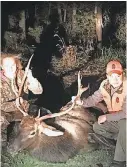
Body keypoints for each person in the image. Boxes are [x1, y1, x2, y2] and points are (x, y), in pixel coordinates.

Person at [72, 60, 126, 167]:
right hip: (116, 121)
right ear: (107, 76)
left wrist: (106, 117)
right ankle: (123, 141)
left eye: (118, 76)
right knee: (97, 127)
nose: (115, 79)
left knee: (125, 124)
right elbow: (94, 99)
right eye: (112, 76)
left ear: (122, 74)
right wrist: (82, 102)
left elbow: (125, 114)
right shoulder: (104, 86)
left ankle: (119, 162)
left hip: (124, 119)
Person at [0, 53, 43, 149]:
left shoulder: (23, 74)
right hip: (5, 112)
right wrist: (14, 103)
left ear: (16, 64)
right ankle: (2, 148)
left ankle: (32, 143)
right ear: (2, 66)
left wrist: (31, 79)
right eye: (7, 66)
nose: (10, 68)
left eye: (12, 65)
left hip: (23, 112)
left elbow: (38, 91)